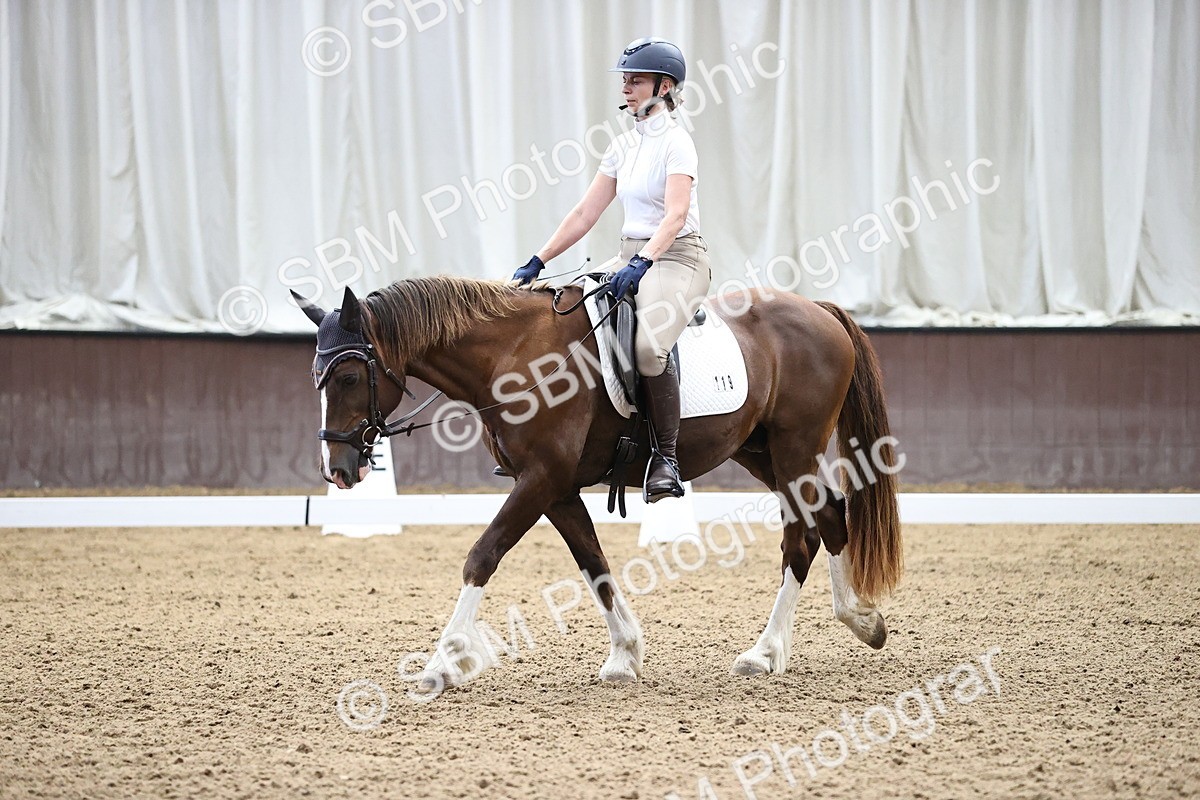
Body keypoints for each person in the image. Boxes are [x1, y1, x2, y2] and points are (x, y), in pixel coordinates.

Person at [512, 37, 712, 502]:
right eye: (624, 80)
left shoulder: (678, 144)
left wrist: (644, 262)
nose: (625, 88)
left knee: (648, 350)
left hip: (678, 257)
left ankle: (666, 459)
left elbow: (676, 216)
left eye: (635, 80)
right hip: (628, 254)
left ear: (664, 86)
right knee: (563, 319)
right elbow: (585, 214)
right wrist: (539, 260)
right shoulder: (622, 146)